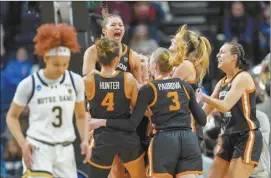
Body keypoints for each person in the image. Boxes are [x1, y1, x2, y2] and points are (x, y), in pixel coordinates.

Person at [89, 47, 207, 178]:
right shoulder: (185, 86)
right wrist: (195, 102)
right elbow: (202, 120)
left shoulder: (149, 89)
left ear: (155, 66)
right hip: (188, 140)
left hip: (165, 139)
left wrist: (101, 122)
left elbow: (131, 124)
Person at [6, 23, 90, 178]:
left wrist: (85, 139)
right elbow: (11, 116)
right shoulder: (29, 83)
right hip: (39, 148)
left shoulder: (75, 81)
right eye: (56, 64)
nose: (61, 69)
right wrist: (23, 143)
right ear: (45, 58)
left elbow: (80, 115)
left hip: (65, 149)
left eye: (65, 64)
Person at [83, 4, 146, 177]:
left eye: (121, 25)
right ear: (104, 31)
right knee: (111, 165)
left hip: (123, 115)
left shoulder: (131, 55)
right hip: (98, 114)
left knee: (119, 166)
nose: (118, 27)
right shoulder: (92, 51)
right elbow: (88, 77)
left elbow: (140, 86)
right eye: (114, 25)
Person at [196, 42, 263, 178]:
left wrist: (204, 97)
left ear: (234, 57)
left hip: (246, 136)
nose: (218, 55)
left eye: (222, 52)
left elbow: (226, 105)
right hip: (228, 136)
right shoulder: (221, 83)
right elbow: (203, 115)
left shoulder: (243, 77)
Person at [170, 24, 211, 147]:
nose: (172, 40)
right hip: (182, 126)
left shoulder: (186, 65)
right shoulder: (178, 64)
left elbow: (164, 90)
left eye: (176, 39)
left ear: (185, 45)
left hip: (189, 127)